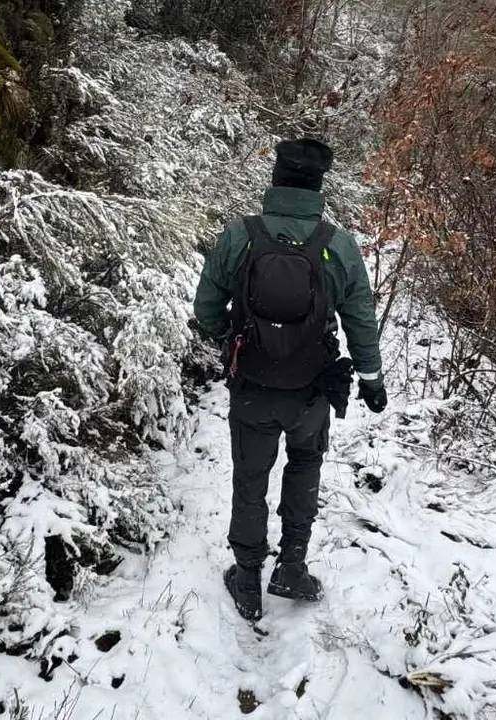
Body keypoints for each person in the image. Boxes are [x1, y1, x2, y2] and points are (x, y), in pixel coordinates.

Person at [192, 138, 387, 622]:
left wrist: (229, 341)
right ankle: (292, 568)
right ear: (319, 186)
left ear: (276, 180)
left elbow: (205, 308)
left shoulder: (240, 235)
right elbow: (360, 315)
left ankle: (247, 577)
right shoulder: (336, 244)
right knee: (304, 468)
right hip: (310, 390)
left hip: (253, 385)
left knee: (250, 478)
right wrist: (370, 376)